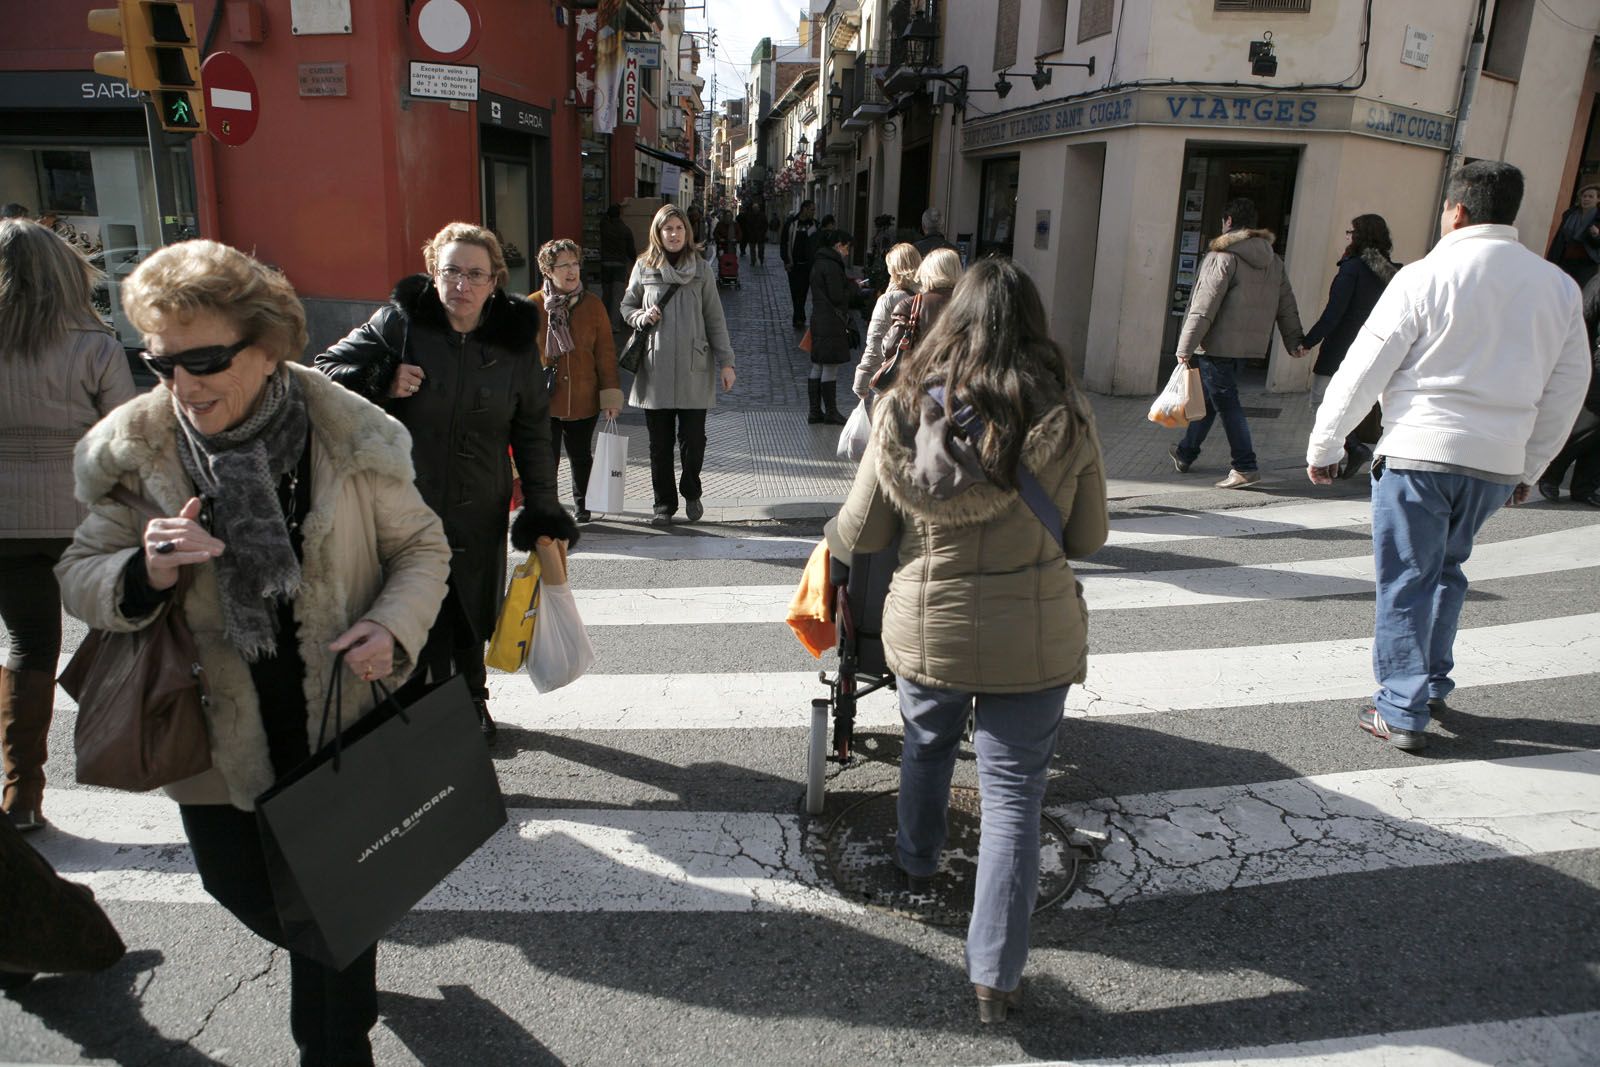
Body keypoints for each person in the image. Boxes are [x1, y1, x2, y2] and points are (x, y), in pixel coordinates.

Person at [55, 239, 453, 1065]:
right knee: (238, 885)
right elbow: (79, 574)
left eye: (204, 358)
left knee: (331, 901)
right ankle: (343, 954)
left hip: (337, 713)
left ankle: (336, 1037)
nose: (182, 384)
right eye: (160, 361)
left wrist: (392, 625)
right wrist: (145, 568)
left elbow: (423, 548)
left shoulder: (349, 437)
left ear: (268, 346)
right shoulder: (139, 456)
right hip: (213, 732)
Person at [827, 256, 1108, 1024]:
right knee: (1015, 798)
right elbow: (1088, 535)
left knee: (926, 745)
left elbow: (861, 532)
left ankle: (916, 859)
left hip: (932, 628)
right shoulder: (1068, 414)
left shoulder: (904, 406)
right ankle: (995, 978)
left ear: (952, 319)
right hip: (1035, 632)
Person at [1306, 161, 1590, 752]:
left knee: (1409, 578)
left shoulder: (1424, 277)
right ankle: (1430, 682)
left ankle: (1401, 708)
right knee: (1447, 570)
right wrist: (1531, 466)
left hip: (1420, 449)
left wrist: (1326, 444)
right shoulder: (1557, 286)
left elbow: (1364, 368)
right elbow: (1568, 388)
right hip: (1496, 459)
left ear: (1457, 211)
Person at [315, 222, 576, 738]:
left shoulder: (515, 342)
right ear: (433, 271)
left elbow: (532, 432)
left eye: (475, 274)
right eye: (450, 271)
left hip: (479, 499)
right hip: (401, 500)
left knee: (469, 606)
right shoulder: (400, 323)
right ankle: (408, 704)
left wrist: (543, 508)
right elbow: (323, 373)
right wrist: (381, 380)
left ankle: (472, 699)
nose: (461, 284)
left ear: (495, 281)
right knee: (406, 601)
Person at [0, 219, 136, 832]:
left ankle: (21, 792)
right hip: (81, 519)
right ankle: (127, 747)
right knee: (119, 630)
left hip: (4, 522)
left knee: (27, 645)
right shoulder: (96, 346)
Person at [1170, 197, 1305, 488]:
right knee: (1211, 400)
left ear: (1228, 221)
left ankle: (1245, 466)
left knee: (1227, 404)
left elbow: (1204, 306)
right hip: (1249, 348)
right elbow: (1287, 303)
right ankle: (1185, 451)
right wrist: (1294, 340)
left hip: (1217, 345)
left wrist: (1185, 346)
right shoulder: (1273, 259)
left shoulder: (1223, 256)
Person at [620, 203, 737, 527]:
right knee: (659, 445)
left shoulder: (701, 269)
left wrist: (726, 362)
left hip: (693, 366)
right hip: (655, 368)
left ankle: (691, 488)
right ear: (658, 233)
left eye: (678, 228)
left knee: (694, 441)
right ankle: (663, 505)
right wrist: (640, 316)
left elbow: (715, 318)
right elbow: (627, 305)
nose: (673, 234)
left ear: (687, 232)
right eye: (667, 228)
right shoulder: (644, 267)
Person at [1299, 213, 1402, 475]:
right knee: (1370, 404)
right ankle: (1364, 451)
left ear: (1358, 237)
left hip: (1342, 347)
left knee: (1321, 401)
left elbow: (1334, 313)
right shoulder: (1395, 273)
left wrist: (1308, 341)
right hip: (1381, 348)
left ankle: (1353, 447)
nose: (1347, 236)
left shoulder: (1352, 269)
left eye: (1350, 232)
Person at [529, 238, 622, 523]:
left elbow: (605, 353)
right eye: (564, 266)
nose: (572, 271)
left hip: (584, 396)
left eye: (575, 264)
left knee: (581, 455)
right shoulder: (533, 306)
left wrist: (610, 396)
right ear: (548, 270)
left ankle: (583, 506)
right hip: (544, 399)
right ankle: (547, 507)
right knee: (547, 458)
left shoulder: (593, 305)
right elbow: (522, 357)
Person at [1538, 273, 1600, 505]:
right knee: (1590, 422)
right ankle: (1549, 472)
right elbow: (1583, 320)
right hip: (1595, 361)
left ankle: (1585, 486)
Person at [855, 241, 921, 399]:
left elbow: (876, 341)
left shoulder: (888, 300)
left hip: (890, 382)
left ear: (893, 270)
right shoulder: (926, 298)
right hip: (918, 382)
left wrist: (862, 381)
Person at [807, 228, 856, 426]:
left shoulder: (819, 262)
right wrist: (855, 288)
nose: (847, 252)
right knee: (830, 366)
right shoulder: (832, 265)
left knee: (818, 364)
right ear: (838, 245)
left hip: (819, 318)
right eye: (847, 248)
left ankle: (815, 411)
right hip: (831, 322)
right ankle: (831, 412)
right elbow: (838, 296)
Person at [1546, 183, 1600, 289]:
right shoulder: (1570, 215)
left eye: (1591, 196)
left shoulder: (1598, 218)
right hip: (1566, 260)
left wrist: (1596, 235)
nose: (1586, 199)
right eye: (1584, 196)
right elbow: (1560, 238)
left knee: (1579, 292)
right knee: (1560, 289)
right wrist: (1552, 259)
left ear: (1598, 199)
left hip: (1586, 264)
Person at [599, 204, 637, 332]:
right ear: (620, 215)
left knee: (606, 295)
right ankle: (614, 325)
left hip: (605, 264)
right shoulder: (625, 229)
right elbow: (631, 250)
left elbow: (602, 219)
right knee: (617, 296)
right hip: (620, 265)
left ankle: (602, 323)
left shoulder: (604, 227)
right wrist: (636, 262)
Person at [781, 199, 818, 327]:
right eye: (812, 209)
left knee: (803, 292)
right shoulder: (791, 223)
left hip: (808, 265)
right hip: (794, 264)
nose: (814, 212)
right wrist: (786, 260)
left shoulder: (814, 225)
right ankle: (798, 316)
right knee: (795, 292)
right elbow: (784, 243)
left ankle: (799, 318)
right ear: (805, 209)